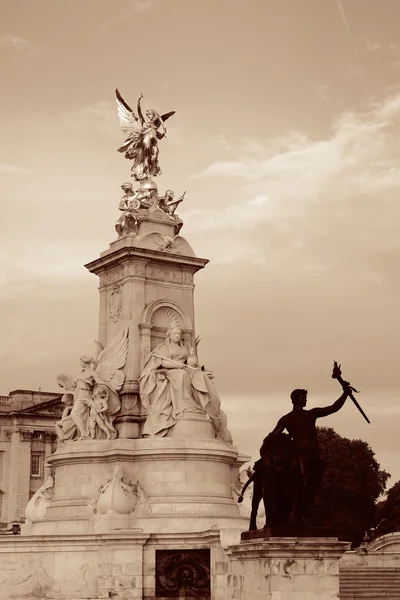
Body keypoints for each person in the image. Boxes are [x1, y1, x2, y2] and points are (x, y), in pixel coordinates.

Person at [267, 377, 353, 524]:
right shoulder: (286, 419)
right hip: (299, 456)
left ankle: (301, 513)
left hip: (314, 457)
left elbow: (333, 408)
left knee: (314, 488)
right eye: (302, 397)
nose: (305, 400)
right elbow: (273, 436)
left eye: (306, 397)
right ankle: (295, 513)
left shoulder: (311, 414)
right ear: (295, 400)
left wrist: (345, 394)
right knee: (303, 483)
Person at [139, 325, 232, 444]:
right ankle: (184, 406)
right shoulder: (164, 348)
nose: (177, 336)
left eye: (179, 334)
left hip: (184, 369)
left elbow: (190, 362)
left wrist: (192, 360)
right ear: (169, 335)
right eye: (175, 334)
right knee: (181, 375)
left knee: (200, 376)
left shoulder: (184, 349)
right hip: (171, 371)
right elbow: (162, 362)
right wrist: (177, 365)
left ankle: (203, 405)